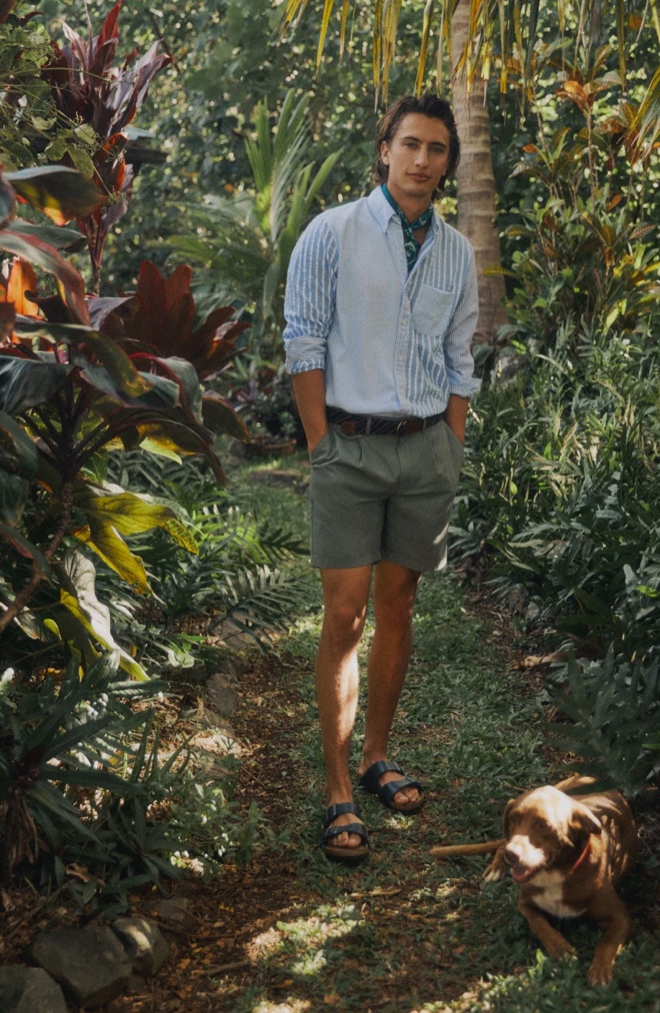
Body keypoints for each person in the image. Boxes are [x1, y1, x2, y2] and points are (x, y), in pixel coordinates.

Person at [283, 94, 480, 863]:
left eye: (436, 148)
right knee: (346, 613)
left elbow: (460, 358)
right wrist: (320, 444)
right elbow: (303, 341)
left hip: (425, 450)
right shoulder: (331, 233)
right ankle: (336, 788)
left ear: (447, 163)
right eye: (410, 144)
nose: (422, 159)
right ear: (384, 150)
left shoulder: (457, 252)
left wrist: (451, 446)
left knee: (399, 604)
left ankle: (376, 755)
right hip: (349, 448)